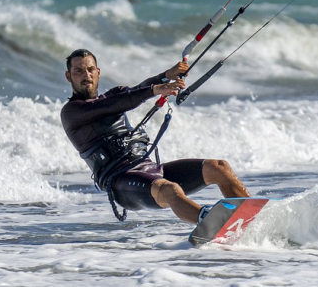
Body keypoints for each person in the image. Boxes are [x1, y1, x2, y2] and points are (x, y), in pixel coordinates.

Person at [60, 49, 252, 224]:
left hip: (149, 169)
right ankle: (212, 225)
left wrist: (165, 76)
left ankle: (251, 217)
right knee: (170, 190)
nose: (86, 76)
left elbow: (134, 91)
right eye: (79, 71)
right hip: (121, 181)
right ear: (69, 76)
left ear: (98, 72)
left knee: (218, 167)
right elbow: (115, 105)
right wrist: (154, 91)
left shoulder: (113, 95)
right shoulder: (71, 112)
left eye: (90, 69)